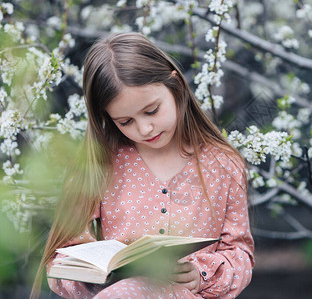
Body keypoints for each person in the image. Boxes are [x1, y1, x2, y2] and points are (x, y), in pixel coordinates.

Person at [31, 32, 254, 299]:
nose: (145, 128)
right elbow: (60, 261)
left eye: (151, 111)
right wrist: (96, 276)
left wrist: (200, 275)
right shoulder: (99, 166)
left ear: (176, 86)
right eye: (126, 121)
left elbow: (240, 254)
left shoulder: (222, 164)